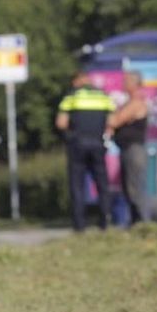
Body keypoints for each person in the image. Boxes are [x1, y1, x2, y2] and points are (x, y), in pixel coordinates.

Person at [55, 71, 116, 231]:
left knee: (77, 185)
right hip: (98, 144)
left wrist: (72, 133)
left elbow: (61, 123)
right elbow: (111, 123)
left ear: (77, 81)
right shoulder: (103, 96)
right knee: (102, 184)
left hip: (77, 145)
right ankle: (105, 222)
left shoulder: (72, 97)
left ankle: (79, 225)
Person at [108, 72, 150, 224]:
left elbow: (115, 121)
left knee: (135, 188)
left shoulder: (136, 103)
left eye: (127, 81)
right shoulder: (129, 103)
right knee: (128, 188)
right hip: (127, 149)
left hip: (134, 150)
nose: (124, 84)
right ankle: (135, 222)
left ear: (135, 84)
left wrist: (109, 117)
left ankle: (143, 223)